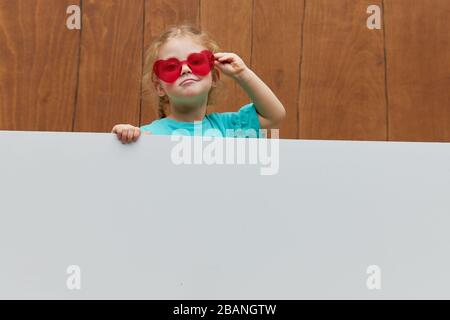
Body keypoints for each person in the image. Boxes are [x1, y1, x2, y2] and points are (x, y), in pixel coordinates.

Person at [111, 24, 286, 144]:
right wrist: (125, 137)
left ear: (214, 77)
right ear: (159, 87)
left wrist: (242, 74)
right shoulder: (148, 136)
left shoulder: (229, 127)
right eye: (171, 67)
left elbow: (274, 115)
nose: (185, 70)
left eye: (196, 62)